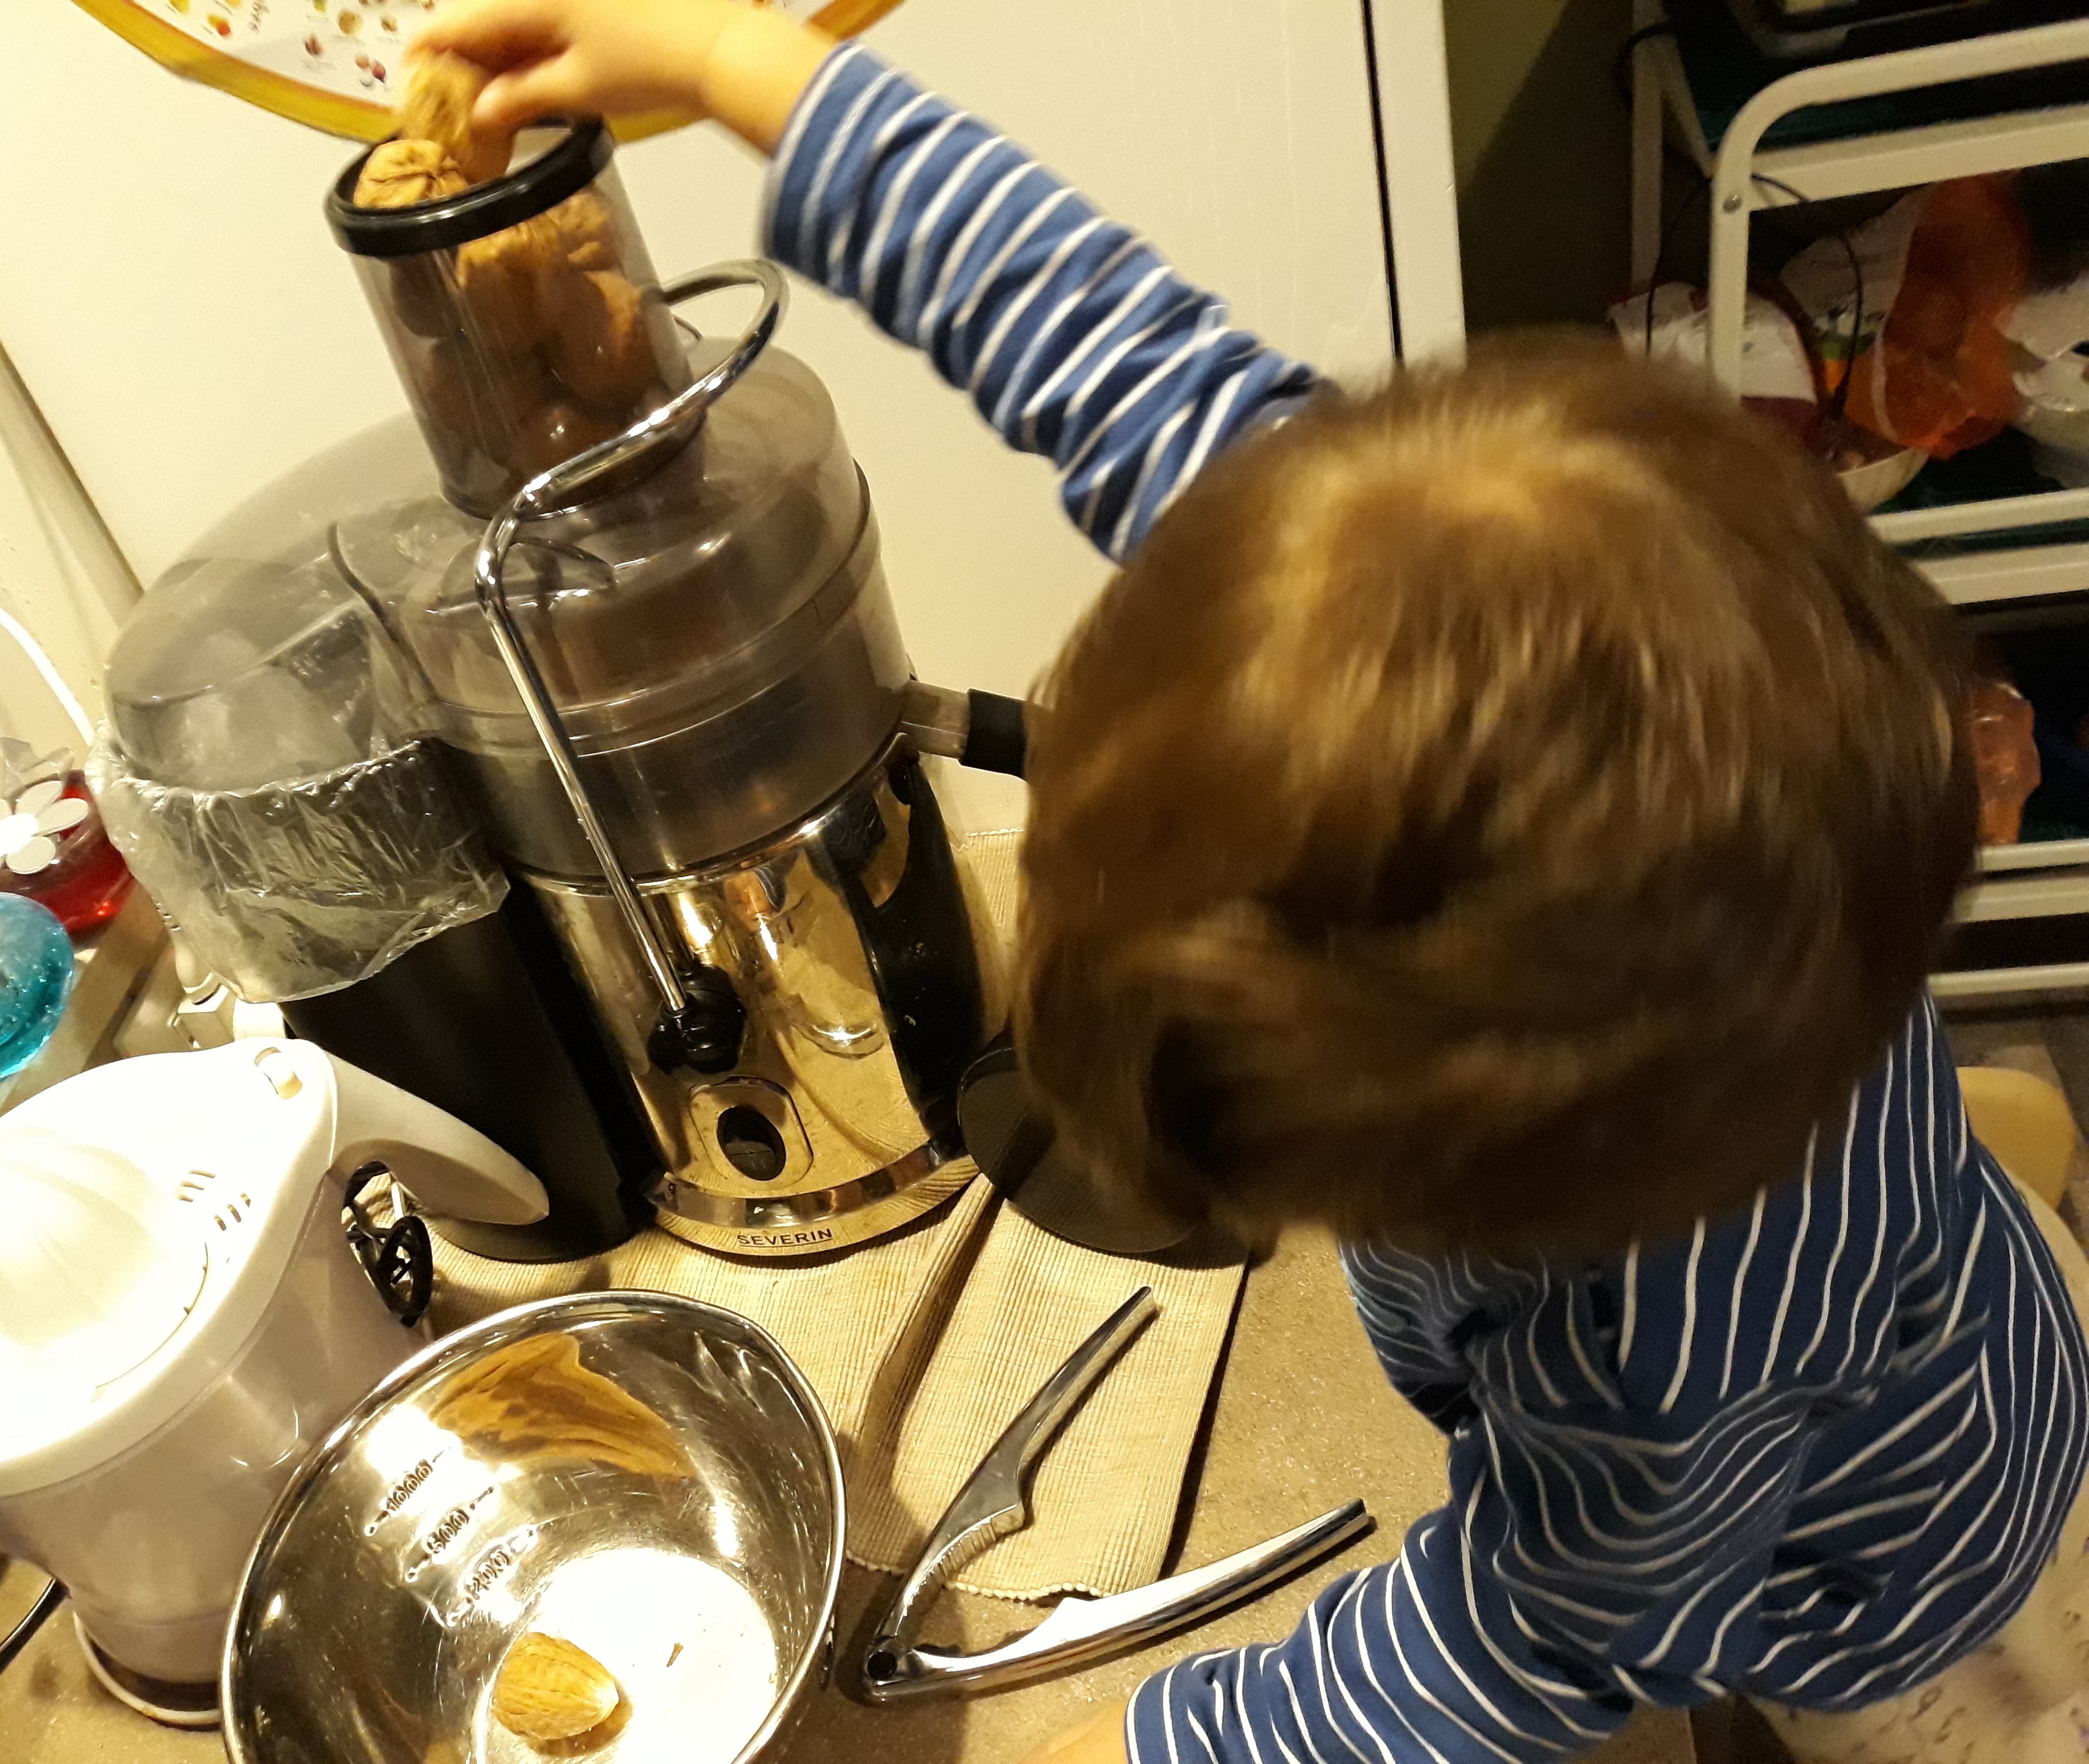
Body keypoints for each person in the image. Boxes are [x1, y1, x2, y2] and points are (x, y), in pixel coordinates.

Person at [410, 5, 2089, 1759]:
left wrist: (1181, 1737)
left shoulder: (1664, 1354)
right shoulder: (1394, 608)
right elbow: (1091, 330)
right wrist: (741, 71)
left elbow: (1537, 1636)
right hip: (1928, 1286)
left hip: (1899, 1579)